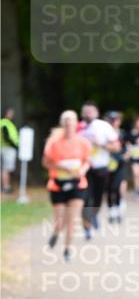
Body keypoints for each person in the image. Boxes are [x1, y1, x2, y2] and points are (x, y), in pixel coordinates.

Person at [42, 110, 91, 260]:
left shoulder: (83, 142)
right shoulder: (53, 143)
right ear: (62, 123)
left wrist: (81, 170)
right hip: (58, 185)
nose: (69, 124)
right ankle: (56, 232)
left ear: (76, 123)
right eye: (66, 121)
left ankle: (68, 249)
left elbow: (87, 162)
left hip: (77, 185)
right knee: (60, 221)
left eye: (72, 121)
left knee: (73, 218)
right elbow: (46, 162)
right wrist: (64, 168)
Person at [78, 102, 119, 239]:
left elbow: (116, 147)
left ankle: (93, 215)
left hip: (101, 167)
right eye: (85, 111)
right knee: (85, 197)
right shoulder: (78, 128)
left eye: (91, 111)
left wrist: (100, 144)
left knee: (97, 198)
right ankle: (87, 226)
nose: (88, 114)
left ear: (97, 113)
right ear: (82, 113)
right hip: (83, 168)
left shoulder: (104, 126)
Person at [104, 112, 129, 223]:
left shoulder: (122, 133)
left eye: (117, 120)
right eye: (112, 120)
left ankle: (118, 209)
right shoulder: (104, 133)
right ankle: (111, 211)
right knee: (109, 188)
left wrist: (126, 155)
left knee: (117, 186)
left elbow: (128, 147)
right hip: (107, 163)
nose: (114, 122)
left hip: (120, 163)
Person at [1, 107, 19, 194]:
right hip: (7, 148)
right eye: (10, 113)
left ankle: (4, 186)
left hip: (3, 147)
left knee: (3, 168)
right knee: (6, 168)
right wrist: (13, 145)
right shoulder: (6, 123)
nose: (12, 115)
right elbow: (7, 136)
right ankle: (6, 187)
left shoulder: (2, 122)